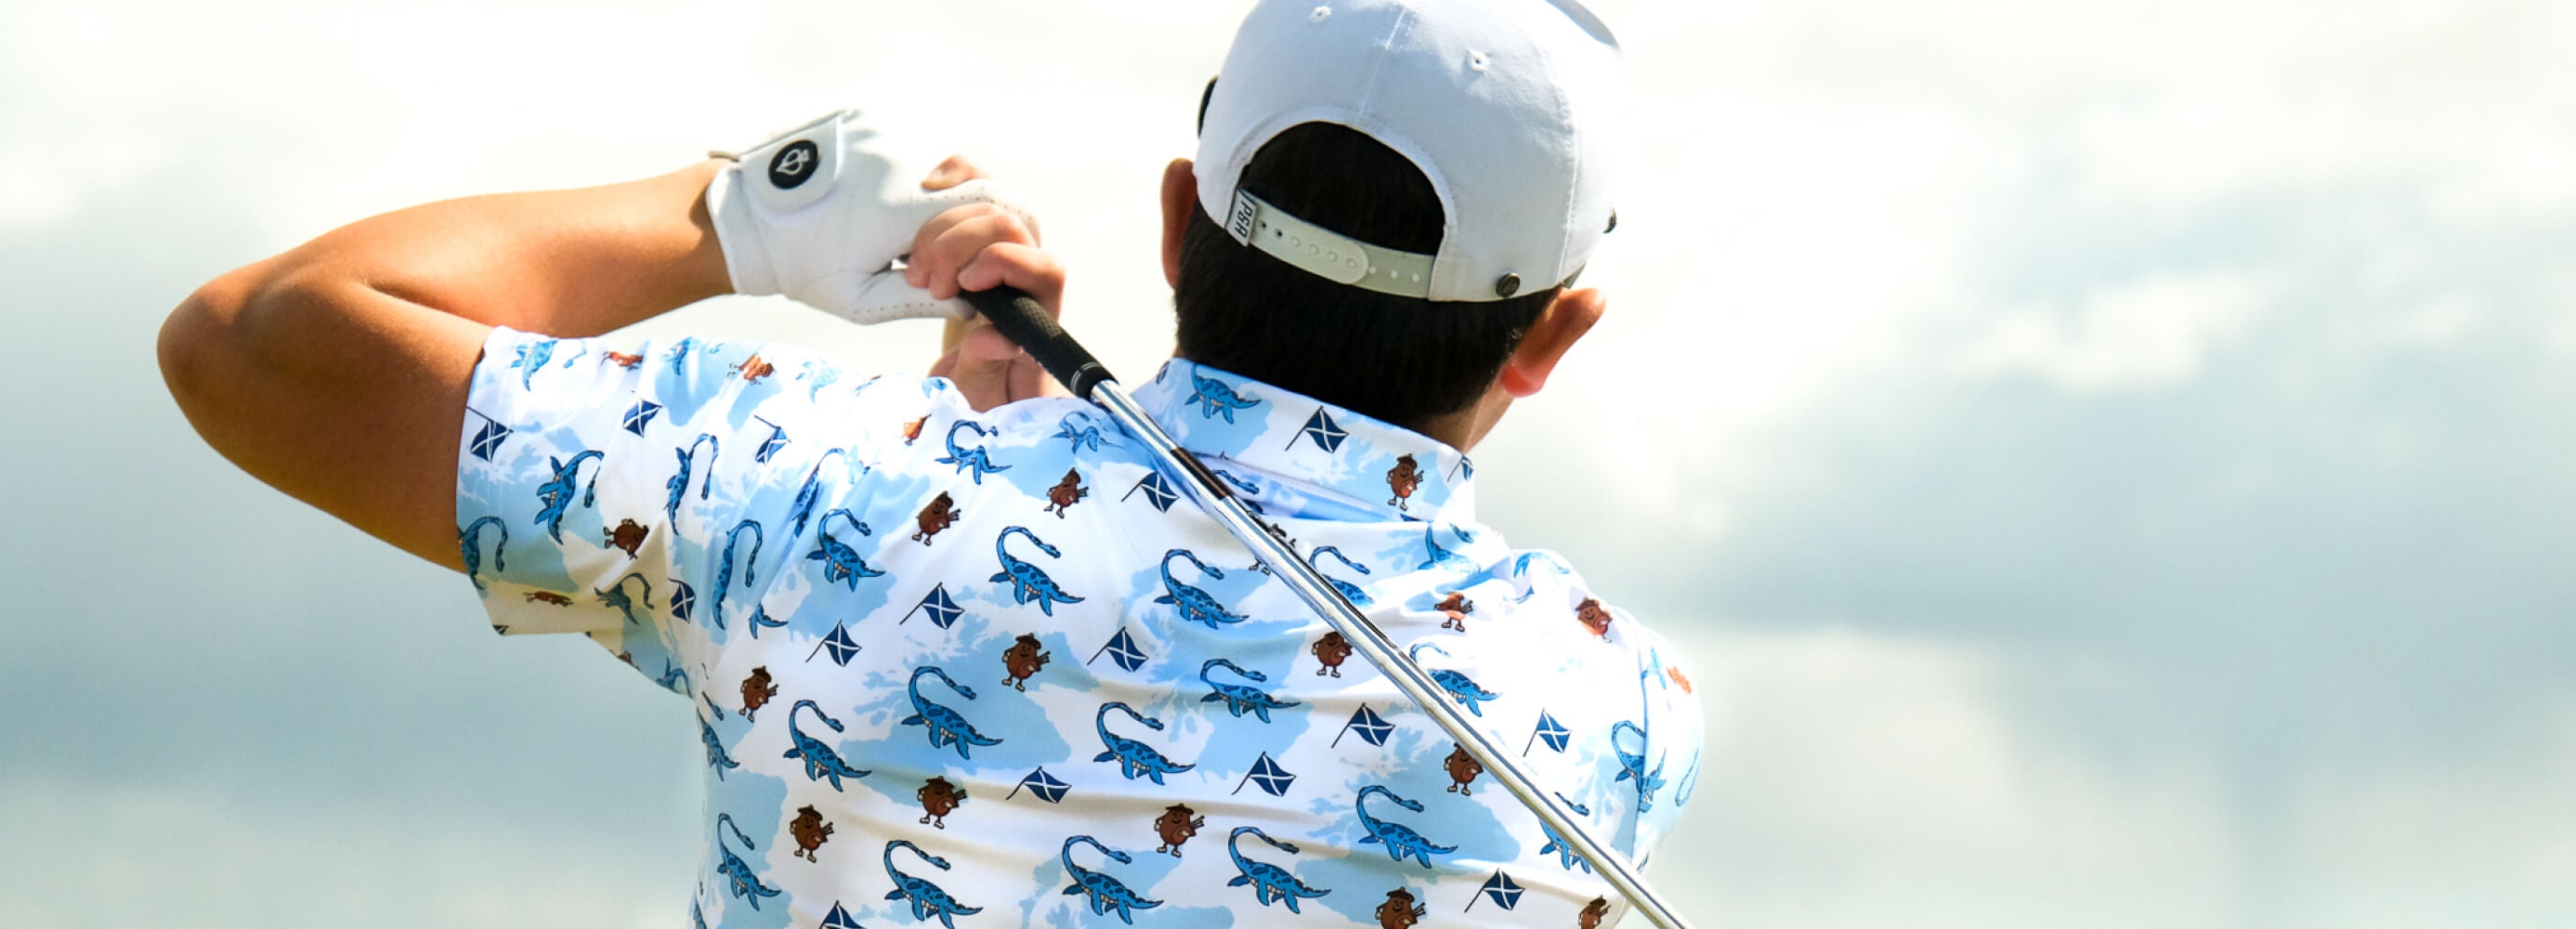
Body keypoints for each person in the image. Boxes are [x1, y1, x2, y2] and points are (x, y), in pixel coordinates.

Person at [158, 0, 1704, 925]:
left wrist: (755, 211)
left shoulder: (819, 482)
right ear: (1553, 333)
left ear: (1177, 222)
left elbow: (259, 342)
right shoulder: (1611, 707)